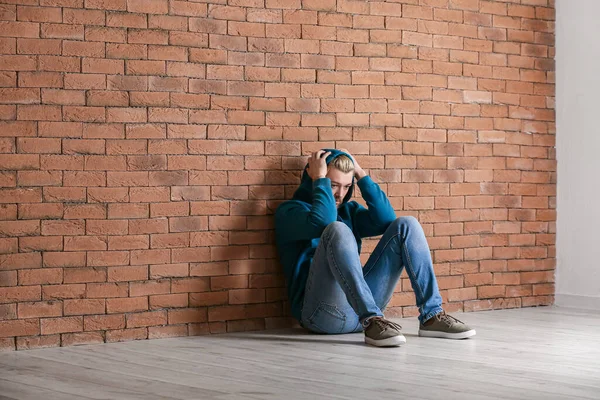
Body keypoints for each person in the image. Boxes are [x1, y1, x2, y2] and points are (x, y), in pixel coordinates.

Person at [275, 149, 476, 347]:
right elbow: (323, 221)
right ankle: (371, 319)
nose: (340, 195)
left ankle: (431, 316)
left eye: (346, 187)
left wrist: (360, 174)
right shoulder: (290, 212)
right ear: (314, 179)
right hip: (321, 316)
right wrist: (319, 178)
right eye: (333, 185)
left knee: (407, 224)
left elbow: (386, 219)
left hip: (362, 313)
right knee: (337, 228)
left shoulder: (349, 211)